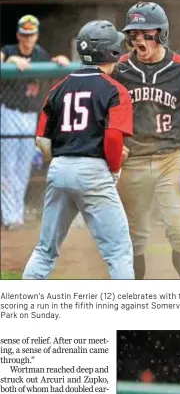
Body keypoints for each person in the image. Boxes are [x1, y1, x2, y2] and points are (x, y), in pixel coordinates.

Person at [22, 20, 134, 279]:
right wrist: (113, 170)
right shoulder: (115, 90)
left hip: (59, 168)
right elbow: (114, 138)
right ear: (111, 52)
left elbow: (42, 139)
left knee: (45, 250)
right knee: (118, 252)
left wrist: (62, 161)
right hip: (94, 171)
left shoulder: (58, 87)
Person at [114, 1, 180, 280]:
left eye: (146, 33)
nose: (139, 40)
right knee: (133, 240)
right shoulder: (119, 69)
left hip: (171, 158)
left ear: (162, 34)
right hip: (131, 161)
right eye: (134, 34)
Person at [0, 14, 69, 230]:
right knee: (7, 168)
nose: (28, 39)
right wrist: (10, 60)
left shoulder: (40, 54)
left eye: (31, 34)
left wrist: (59, 61)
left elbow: (54, 66)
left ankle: (16, 216)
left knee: (22, 168)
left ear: (36, 35)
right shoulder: (9, 50)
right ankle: (10, 217)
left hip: (30, 116)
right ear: (19, 35)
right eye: (24, 34)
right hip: (9, 113)